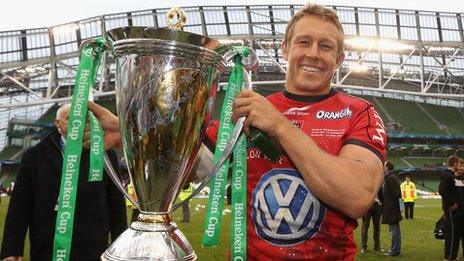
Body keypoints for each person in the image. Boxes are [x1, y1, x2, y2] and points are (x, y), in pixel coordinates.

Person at [87, 3, 386, 259]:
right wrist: (136, 133)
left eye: (326, 46)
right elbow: (185, 165)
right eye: (303, 42)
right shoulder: (246, 112)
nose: (313, 54)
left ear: (340, 58)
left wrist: (280, 126)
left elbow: (357, 196)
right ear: (285, 49)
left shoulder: (359, 113)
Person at [0, 104, 127, 260]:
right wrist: (12, 248)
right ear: (57, 123)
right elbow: (20, 204)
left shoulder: (105, 154)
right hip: (47, 245)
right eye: (69, 118)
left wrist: (120, 247)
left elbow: (116, 204)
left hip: (91, 246)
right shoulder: (35, 156)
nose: (76, 121)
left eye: (80, 117)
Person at [439, 156, 464, 261]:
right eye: (459, 164)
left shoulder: (452, 176)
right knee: (452, 234)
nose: (460, 166)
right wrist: (451, 203)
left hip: (459, 211)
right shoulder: (446, 175)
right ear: (454, 164)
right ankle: (449, 257)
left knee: (457, 234)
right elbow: (442, 190)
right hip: (452, 211)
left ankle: (453, 256)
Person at [381, 161, 402, 256]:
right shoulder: (390, 178)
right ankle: (395, 249)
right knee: (394, 230)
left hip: (392, 209)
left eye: (384, 166)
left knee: (394, 230)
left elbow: (396, 194)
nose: (383, 168)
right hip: (391, 208)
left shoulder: (390, 179)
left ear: (387, 168)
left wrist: (395, 208)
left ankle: (395, 250)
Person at [360, 189, 383, 254]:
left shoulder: (377, 179)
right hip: (368, 204)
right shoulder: (366, 181)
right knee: (366, 226)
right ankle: (364, 246)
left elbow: (381, 192)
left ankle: (376, 246)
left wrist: (381, 202)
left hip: (376, 204)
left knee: (376, 227)